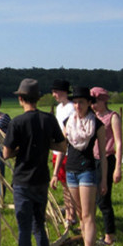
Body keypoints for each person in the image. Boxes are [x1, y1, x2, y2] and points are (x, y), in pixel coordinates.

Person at [3, 79, 66, 246]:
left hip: (22, 181)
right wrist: (45, 145)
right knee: (40, 226)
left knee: (24, 230)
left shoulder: (17, 122)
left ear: (21, 99)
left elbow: (6, 153)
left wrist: (22, 149)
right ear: (37, 99)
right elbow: (62, 146)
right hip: (41, 179)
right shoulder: (48, 120)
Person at [52, 86, 107, 246]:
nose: (77, 106)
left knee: (88, 215)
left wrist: (104, 179)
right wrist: (55, 173)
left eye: (81, 102)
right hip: (71, 171)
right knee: (80, 214)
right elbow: (62, 148)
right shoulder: (68, 121)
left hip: (88, 171)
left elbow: (104, 156)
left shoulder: (97, 125)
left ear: (89, 103)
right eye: (75, 102)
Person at [90, 87, 123, 246]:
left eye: (95, 102)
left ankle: (110, 236)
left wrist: (118, 168)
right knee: (94, 198)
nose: (93, 105)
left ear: (103, 100)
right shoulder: (93, 117)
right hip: (93, 160)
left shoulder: (113, 117)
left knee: (104, 199)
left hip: (107, 160)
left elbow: (119, 142)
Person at [51, 79, 77, 227]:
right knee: (63, 184)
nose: (54, 94)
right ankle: (68, 212)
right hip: (58, 150)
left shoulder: (71, 108)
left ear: (64, 92)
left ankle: (71, 215)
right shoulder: (59, 108)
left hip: (66, 151)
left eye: (56, 91)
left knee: (69, 184)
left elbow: (68, 131)